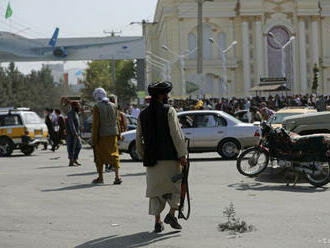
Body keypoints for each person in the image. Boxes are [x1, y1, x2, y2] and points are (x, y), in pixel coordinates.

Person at [136, 81, 188, 233]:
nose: (168, 95)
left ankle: (158, 222)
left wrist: (141, 154)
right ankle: (171, 215)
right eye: (166, 93)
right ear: (161, 95)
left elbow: (139, 136)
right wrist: (182, 154)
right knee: (175, 188)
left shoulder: (143, 114)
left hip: (151, 160)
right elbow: (177, 134)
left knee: (155, 192)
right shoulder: (169, 110)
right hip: (170, 158)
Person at [91, 88, 122, 184]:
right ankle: (117, 177)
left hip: (102, 135)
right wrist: (119, 134)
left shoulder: (97, 107)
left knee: (99, 156)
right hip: (113, 134)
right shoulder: (113, 105)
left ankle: (100, 178)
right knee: (114, 154)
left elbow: (96, 124)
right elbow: (117, 121)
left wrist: (94, 139)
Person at [65, 101, 82, 167]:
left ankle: (74, 159)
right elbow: (71, 124)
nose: (79, 106)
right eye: (78, 105)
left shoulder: (76, 113)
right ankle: (71, 161)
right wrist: (74, 132)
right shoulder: (70, 113)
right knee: (71, 147)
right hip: (72, 134)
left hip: (77, 134)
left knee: (79, 146)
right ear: (74, 106)